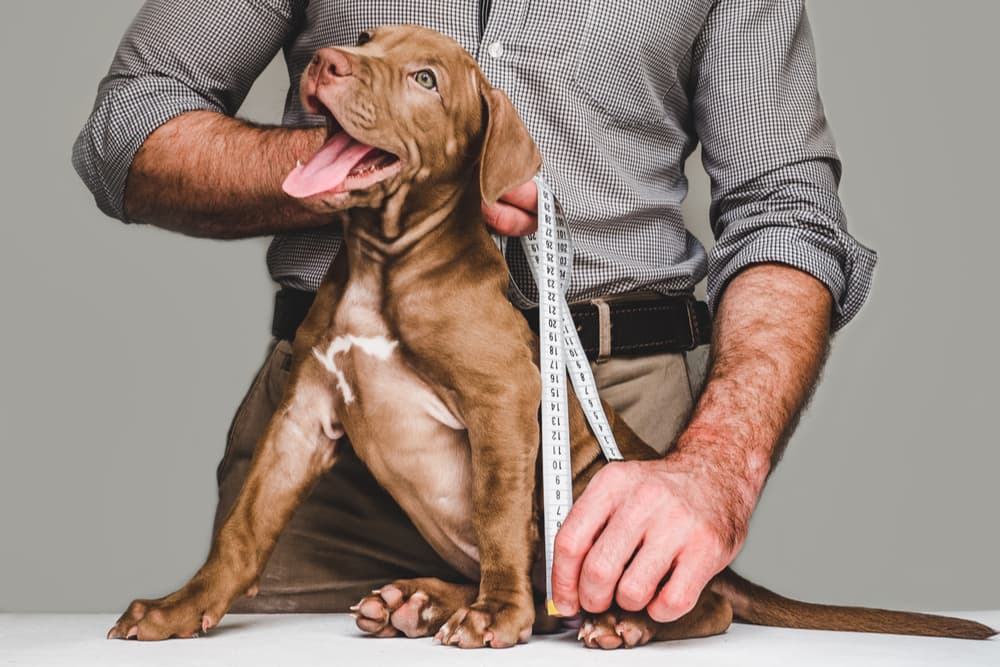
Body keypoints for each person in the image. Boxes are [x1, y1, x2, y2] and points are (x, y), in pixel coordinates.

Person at [73, 0, 875, 625]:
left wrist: (719, 465)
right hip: (339, 447)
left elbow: (786, 208)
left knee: (634, 628)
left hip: (609, 452)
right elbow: (127, 130)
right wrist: (362, 160)